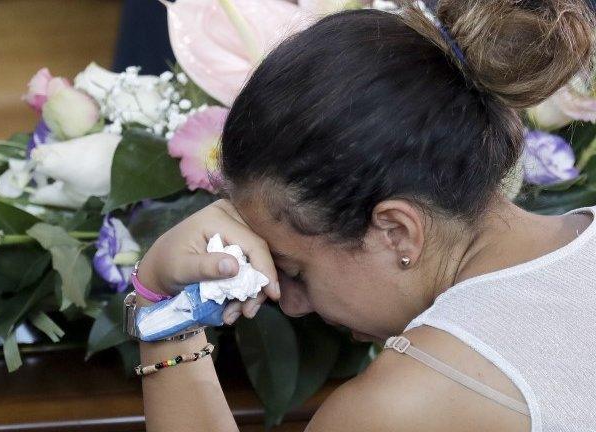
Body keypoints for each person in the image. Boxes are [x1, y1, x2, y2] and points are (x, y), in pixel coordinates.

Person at [130, 0, 596, 430]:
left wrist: (164, 315)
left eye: (295, 271)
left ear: (396, 231)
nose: (288, 302)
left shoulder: (401, 405)